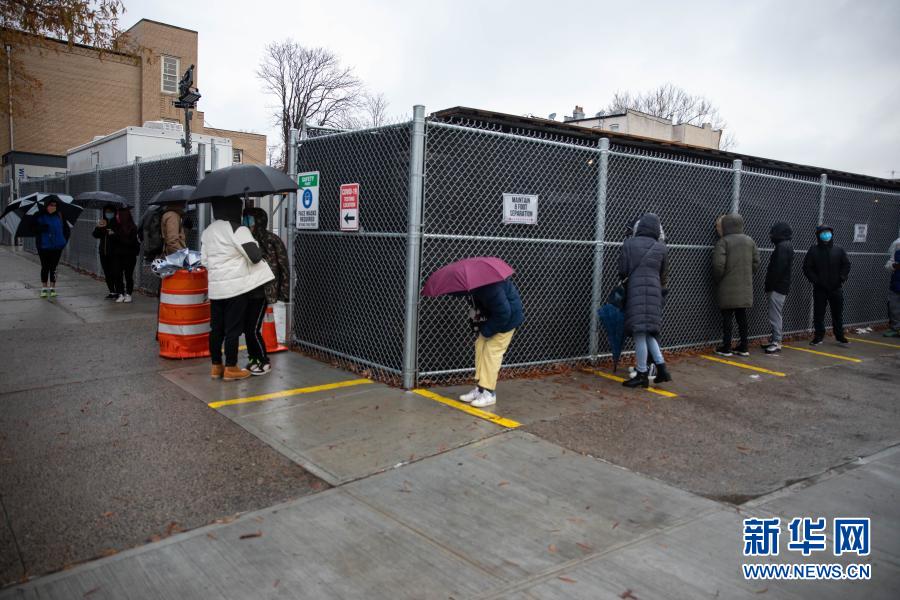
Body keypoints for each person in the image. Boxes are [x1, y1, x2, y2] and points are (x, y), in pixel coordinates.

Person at [201, 197, 274, 381]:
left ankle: (216, 366)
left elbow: (204, 261)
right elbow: (255, 257)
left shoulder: (208, 231)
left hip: (216, 288)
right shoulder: (238, 229)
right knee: (233, 329)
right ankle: (231, 367)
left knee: (216, 329)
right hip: (236, 289)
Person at [618, 213, 671, 388]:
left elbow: (623, 270)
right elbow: (663, 272)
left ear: (639, 227)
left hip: (636, 290)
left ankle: (642, 373)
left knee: (639, 333)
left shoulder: (629, 244)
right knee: (649, 331)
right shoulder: (661, 247)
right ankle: (662, 369)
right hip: (655, 290)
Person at [457, 278, 524, 408]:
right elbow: (480, 307)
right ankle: (480, 389)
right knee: (480, 345)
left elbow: (504, 313)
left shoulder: (491, 288)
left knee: (492, 351)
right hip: (495, 317)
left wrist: (487, 331)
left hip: (508, 320)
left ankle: (489, 393)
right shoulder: (476, 287)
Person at [241, 207, 290, 375]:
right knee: (248, 328)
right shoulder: (245, 239)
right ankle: (254, 359)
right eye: (245, 219)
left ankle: (264, 361)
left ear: (259, 221)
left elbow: (283, 266)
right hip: (247, 289)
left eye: (250, 220)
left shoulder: (271, 240)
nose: (247, 223)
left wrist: (283, 292)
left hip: (263, 291)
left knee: (252, 328)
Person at [712, 213, 760, 357]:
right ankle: (744, 346)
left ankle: (726, 347)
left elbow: (718, 265)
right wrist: (747, 274)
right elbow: (756, 262)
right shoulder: (749, 241)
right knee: (742, 316)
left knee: (727, 317)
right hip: (745, 285)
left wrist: (718, 279)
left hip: (727, 285)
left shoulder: (723, 242)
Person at [803, 224, 851, 345]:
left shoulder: (838, 249)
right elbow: (807, 267)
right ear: (818, 235)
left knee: (837, 313)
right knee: (819, 313)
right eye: (823, 232)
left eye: (828, 232)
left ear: (832, 234)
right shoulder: (813, 250)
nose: (826, 235)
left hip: (836, 287)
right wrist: (816, 280)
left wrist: (842, 277)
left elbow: (846, 264)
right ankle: (819, 336)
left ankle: (839, 336)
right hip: (820, 288)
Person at [761, 222, 794, 353]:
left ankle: (776, 341)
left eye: (773, 232)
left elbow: (777, 269)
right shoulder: (786, 245)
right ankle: (775, 339)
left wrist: (770, 285)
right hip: (780, 285)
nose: (771, 235)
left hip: (777, 286)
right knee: (775, 314)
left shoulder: (782, 247)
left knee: (775, 315)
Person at [35, 199, 71, 298]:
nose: (53, 207)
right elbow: (33, 228)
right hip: (43, 247)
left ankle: (52, 287)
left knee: (54, 267)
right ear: (46, 205)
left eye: (55, 205)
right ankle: (44, 287)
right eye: (51, 205)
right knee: (45, 266)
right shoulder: (40, 215)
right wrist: (42, 228)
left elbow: (66, 230)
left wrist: (63, 241)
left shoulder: (60, 216)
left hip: (57, 247)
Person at [109, 207, 140, 303]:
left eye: (119, 215)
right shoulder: (115, 226)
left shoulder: (132, 228)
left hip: (129, 255)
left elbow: (129, 242)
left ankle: (129, 294)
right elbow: (112, 241)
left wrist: (115, 236)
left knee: (128, 275)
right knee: (117, 274)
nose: (117, 217)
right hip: (117, 255)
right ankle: (120, 293)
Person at [92, 204, 119, 299]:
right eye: (107, 212)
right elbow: (95, 235)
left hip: (114, 253)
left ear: (114, 213)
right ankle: (112, 291)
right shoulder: (102, 222)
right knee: (107, 273)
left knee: (115, 272)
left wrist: (112, 233)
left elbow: (118, 237)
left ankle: (118, 291)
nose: (109, 214)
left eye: (110, 212)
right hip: (103, 252)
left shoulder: (117, 223)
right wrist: (98, 227)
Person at [886, 235, 900, 338]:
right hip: (896, 284)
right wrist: (894, 266)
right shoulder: (897, 247)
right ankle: (896, 328)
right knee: (894, 307)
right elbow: (889, 264)